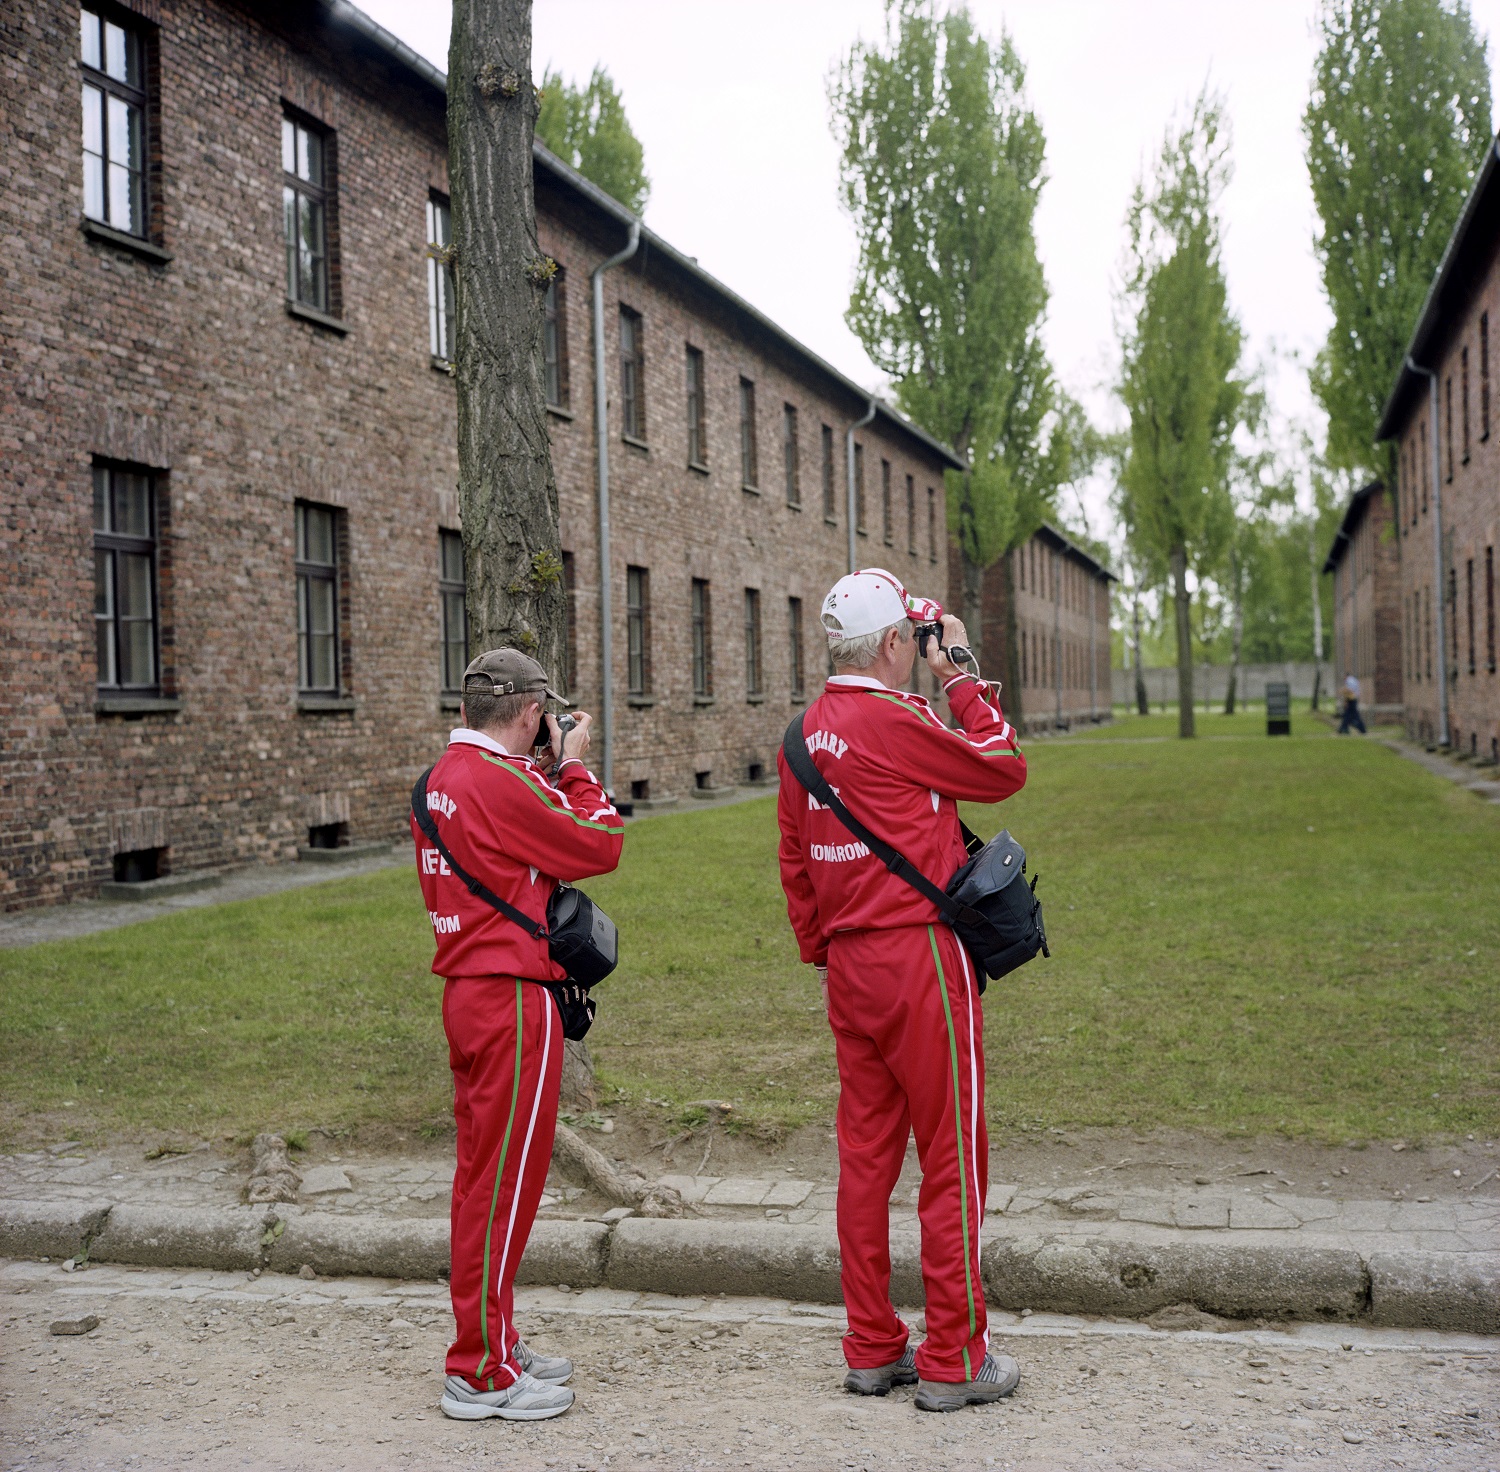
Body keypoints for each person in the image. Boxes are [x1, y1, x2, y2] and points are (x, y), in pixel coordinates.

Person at [776, 568, 1029, 1413]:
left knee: (865, 1161)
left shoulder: (803, 735)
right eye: (911, 644)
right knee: (952, 1155)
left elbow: (794, 860)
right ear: (894, 644)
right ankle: (955, 1353)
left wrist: (823, 946)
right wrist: (958, 668)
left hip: (849, 965)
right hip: (920, 955)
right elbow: (1001, 766)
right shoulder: (901, 714)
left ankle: (872, 1346)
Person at [412, 649, 623, 1422]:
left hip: (468, 991)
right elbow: (598, 842)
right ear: (532, 713)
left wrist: (543, 763)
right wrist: (574, 766)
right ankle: (480, 1369)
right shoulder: (504, 780)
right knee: (505, 1191)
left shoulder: (443, 777)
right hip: (510, 998)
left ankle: (493, 1336)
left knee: (481, 1182)